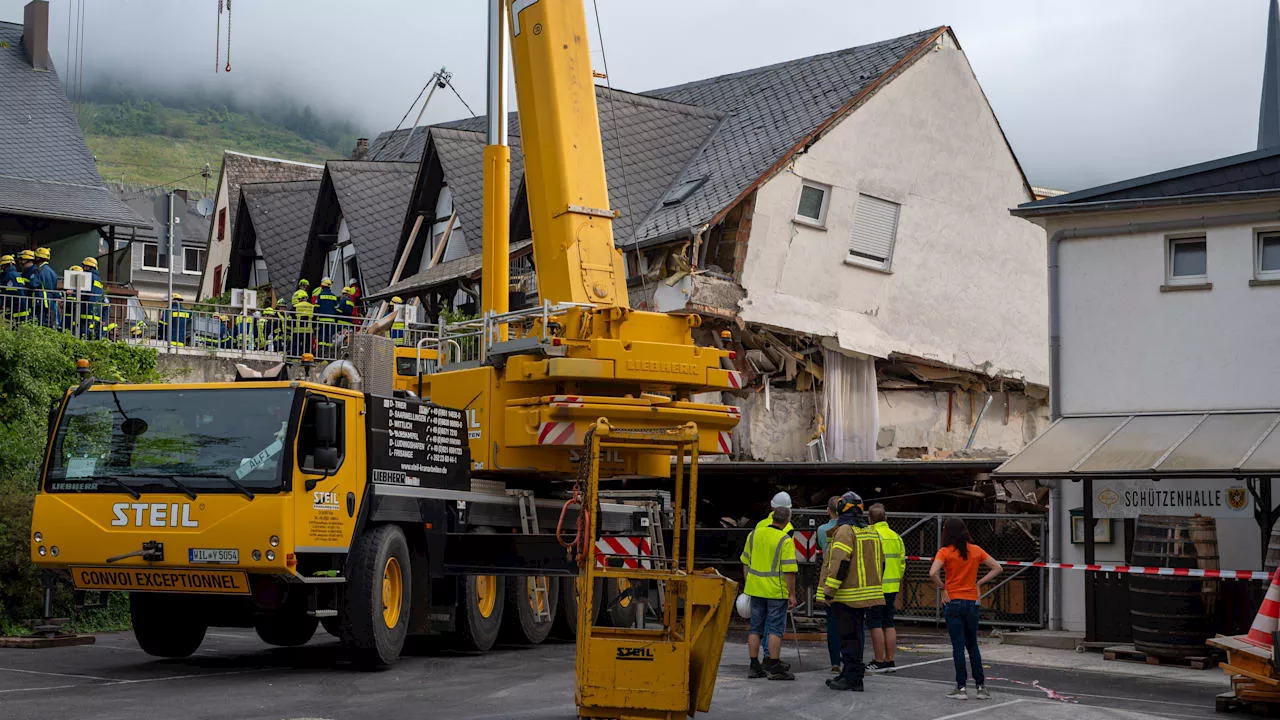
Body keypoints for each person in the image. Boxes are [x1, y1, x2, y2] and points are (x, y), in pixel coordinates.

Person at [816, 491, 884, 692]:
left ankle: (851, 678)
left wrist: (829, 592)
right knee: (855, 636)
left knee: (847, 637)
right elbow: (882, 562)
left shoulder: (845, 531)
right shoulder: (871, 531)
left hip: (846, 596)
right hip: (865, 595)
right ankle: (851, 674)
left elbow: (839, 563)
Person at [930, 517, 1002, 701]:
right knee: (973, 645)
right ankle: (980, 686)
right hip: (971, 601)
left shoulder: (945, 552)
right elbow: (997, 567)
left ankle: (961, 687)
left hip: (953, 601)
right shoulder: (976, 550)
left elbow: (932, 573)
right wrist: (979, 582)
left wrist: (944, 587)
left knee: (958, 646)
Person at [739, 505, 797, 681]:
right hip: (775, 592)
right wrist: (792, 594)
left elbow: (745, 562)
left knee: (755, 628)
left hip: (755, 590)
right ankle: (774, 665)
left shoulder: (754, 535)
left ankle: (754, 665)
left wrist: (749, 583)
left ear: (772, 517)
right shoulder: (785, 540)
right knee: (775, 629)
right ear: (787, 521)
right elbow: (789, 571)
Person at [867, 503, 904, 672]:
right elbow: (902, 563)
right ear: (885, 518)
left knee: (875, 623)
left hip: (875, 586)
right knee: (888, 623)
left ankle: (878, 660)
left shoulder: (871, 535)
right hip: (892, 585)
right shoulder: (896, 537)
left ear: (869, 519)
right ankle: (890, 660)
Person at [815, 495, 842, 674]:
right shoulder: (850, 529)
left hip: (827, 575)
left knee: (832, 622)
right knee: (849, 621)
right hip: (846, 577)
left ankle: (835, 662)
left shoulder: (822, 530)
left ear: (828, 510)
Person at [31, 247, 60, 328]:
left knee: (39, 323)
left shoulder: (38, 270)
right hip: (50, 301)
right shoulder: (52, 271)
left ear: (39, 258)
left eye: (35, 257)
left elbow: (33, 284)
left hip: (40, 300)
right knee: (49, 324)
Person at [313, 278, 340, 358]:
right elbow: (336, 309)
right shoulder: (334, 297)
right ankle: (328, 354)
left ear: (322, 286)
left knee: (322, 337)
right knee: (329, 338)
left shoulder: (320, 296)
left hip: (322, 320)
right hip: (331, 321)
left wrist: (314, 318)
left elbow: (316, 308)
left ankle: (321, 354)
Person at [83, 257, 105, 339]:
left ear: (88, 267)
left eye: (84, 266)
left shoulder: (88, 276)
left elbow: (84, 292)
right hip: (97, 309)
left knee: (84, 332)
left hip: (87, 309)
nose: (83, 268)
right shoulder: (98, 279)